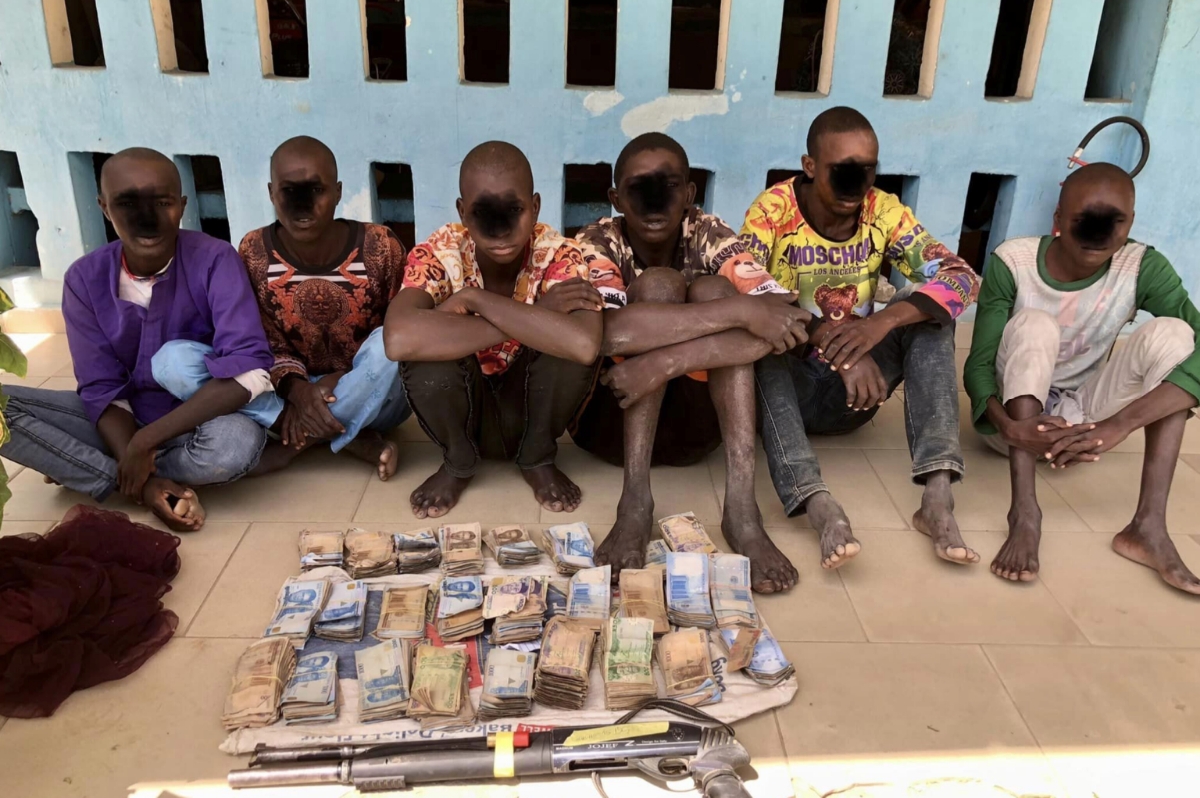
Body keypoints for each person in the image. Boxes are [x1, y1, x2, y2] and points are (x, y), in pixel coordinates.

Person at [741, 106, 981, 570]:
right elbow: (746, 287)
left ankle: (937, 495)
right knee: (760, 341)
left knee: (926, 315)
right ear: (810, 166)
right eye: (842, 171)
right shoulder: (773, 210)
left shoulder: (883, 211)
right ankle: (818, 503)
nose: (856, 185)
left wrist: (879, 324)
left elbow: (962, 277)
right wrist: (835, 344)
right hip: (788, 388)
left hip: (857, 394)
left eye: (866, 170)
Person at [570, 133, 809, 593]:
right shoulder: (597, 240)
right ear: (616, 199)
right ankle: (634, 501)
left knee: (716, 289)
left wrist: (663, 362)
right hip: (609, 420)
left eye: (669, 186)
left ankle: (741, 508)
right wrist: (740, 312)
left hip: (695, 431)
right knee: (661, 285)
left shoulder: (707, 232)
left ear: (689, 194)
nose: (655, 201)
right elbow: (602, 335)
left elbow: (785, 321)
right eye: (640, 189)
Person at [0, 148, 275, 531]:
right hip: (122, 422)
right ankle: (141, 484)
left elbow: (250, 370)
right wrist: (134, 453)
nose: (147, 219)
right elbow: (101, 387)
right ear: (104, 207)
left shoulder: (215, 259)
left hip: (202, 416)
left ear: (181, 206)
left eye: (162, 203)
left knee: (232, 447)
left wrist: (145, 442)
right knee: (1, 410)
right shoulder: (84, 278)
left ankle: (88, 466)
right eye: (127, 203)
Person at [964, 163, 1200, 594]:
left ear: (1130, 223)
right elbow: (978, 367)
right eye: (1084, 222)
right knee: (1035, 324)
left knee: (1176, 335)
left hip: (1083, 421)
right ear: (1058, 218)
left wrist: (1118, 425)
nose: (1098, 236)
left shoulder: (1141, 266)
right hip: (1012, 428)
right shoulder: (1014, 261)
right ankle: (1025, 513)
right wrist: (1009, 427)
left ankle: (1147, 526)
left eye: (1114, 223)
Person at [385, 141, 626, 518]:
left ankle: (537, 457)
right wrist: (532, 314)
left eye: (513, 211)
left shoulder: (559, 253)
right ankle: (458, 462)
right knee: (424, 354)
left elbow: (583, 345)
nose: (500, 230)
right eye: (484, 213)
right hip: (464, 401)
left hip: (530, 404)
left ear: (535, 207)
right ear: (462, 211)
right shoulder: (441, 251)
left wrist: (473, 303)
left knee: (565, 346)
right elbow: (398, 338)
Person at [204, 136, 410, 481]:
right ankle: (351, 439)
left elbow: (399, 335)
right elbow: (260, 340)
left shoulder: (380, 246)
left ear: (338, 192)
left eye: (316, 190)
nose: (304, 206)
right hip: (286, 395)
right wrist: (300, 391)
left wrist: (336, 382)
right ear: (272, 193)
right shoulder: (254, 250)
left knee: (393, 347)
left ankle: (297, 443)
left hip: (371, 393)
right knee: (180, 362)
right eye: (289, 191)